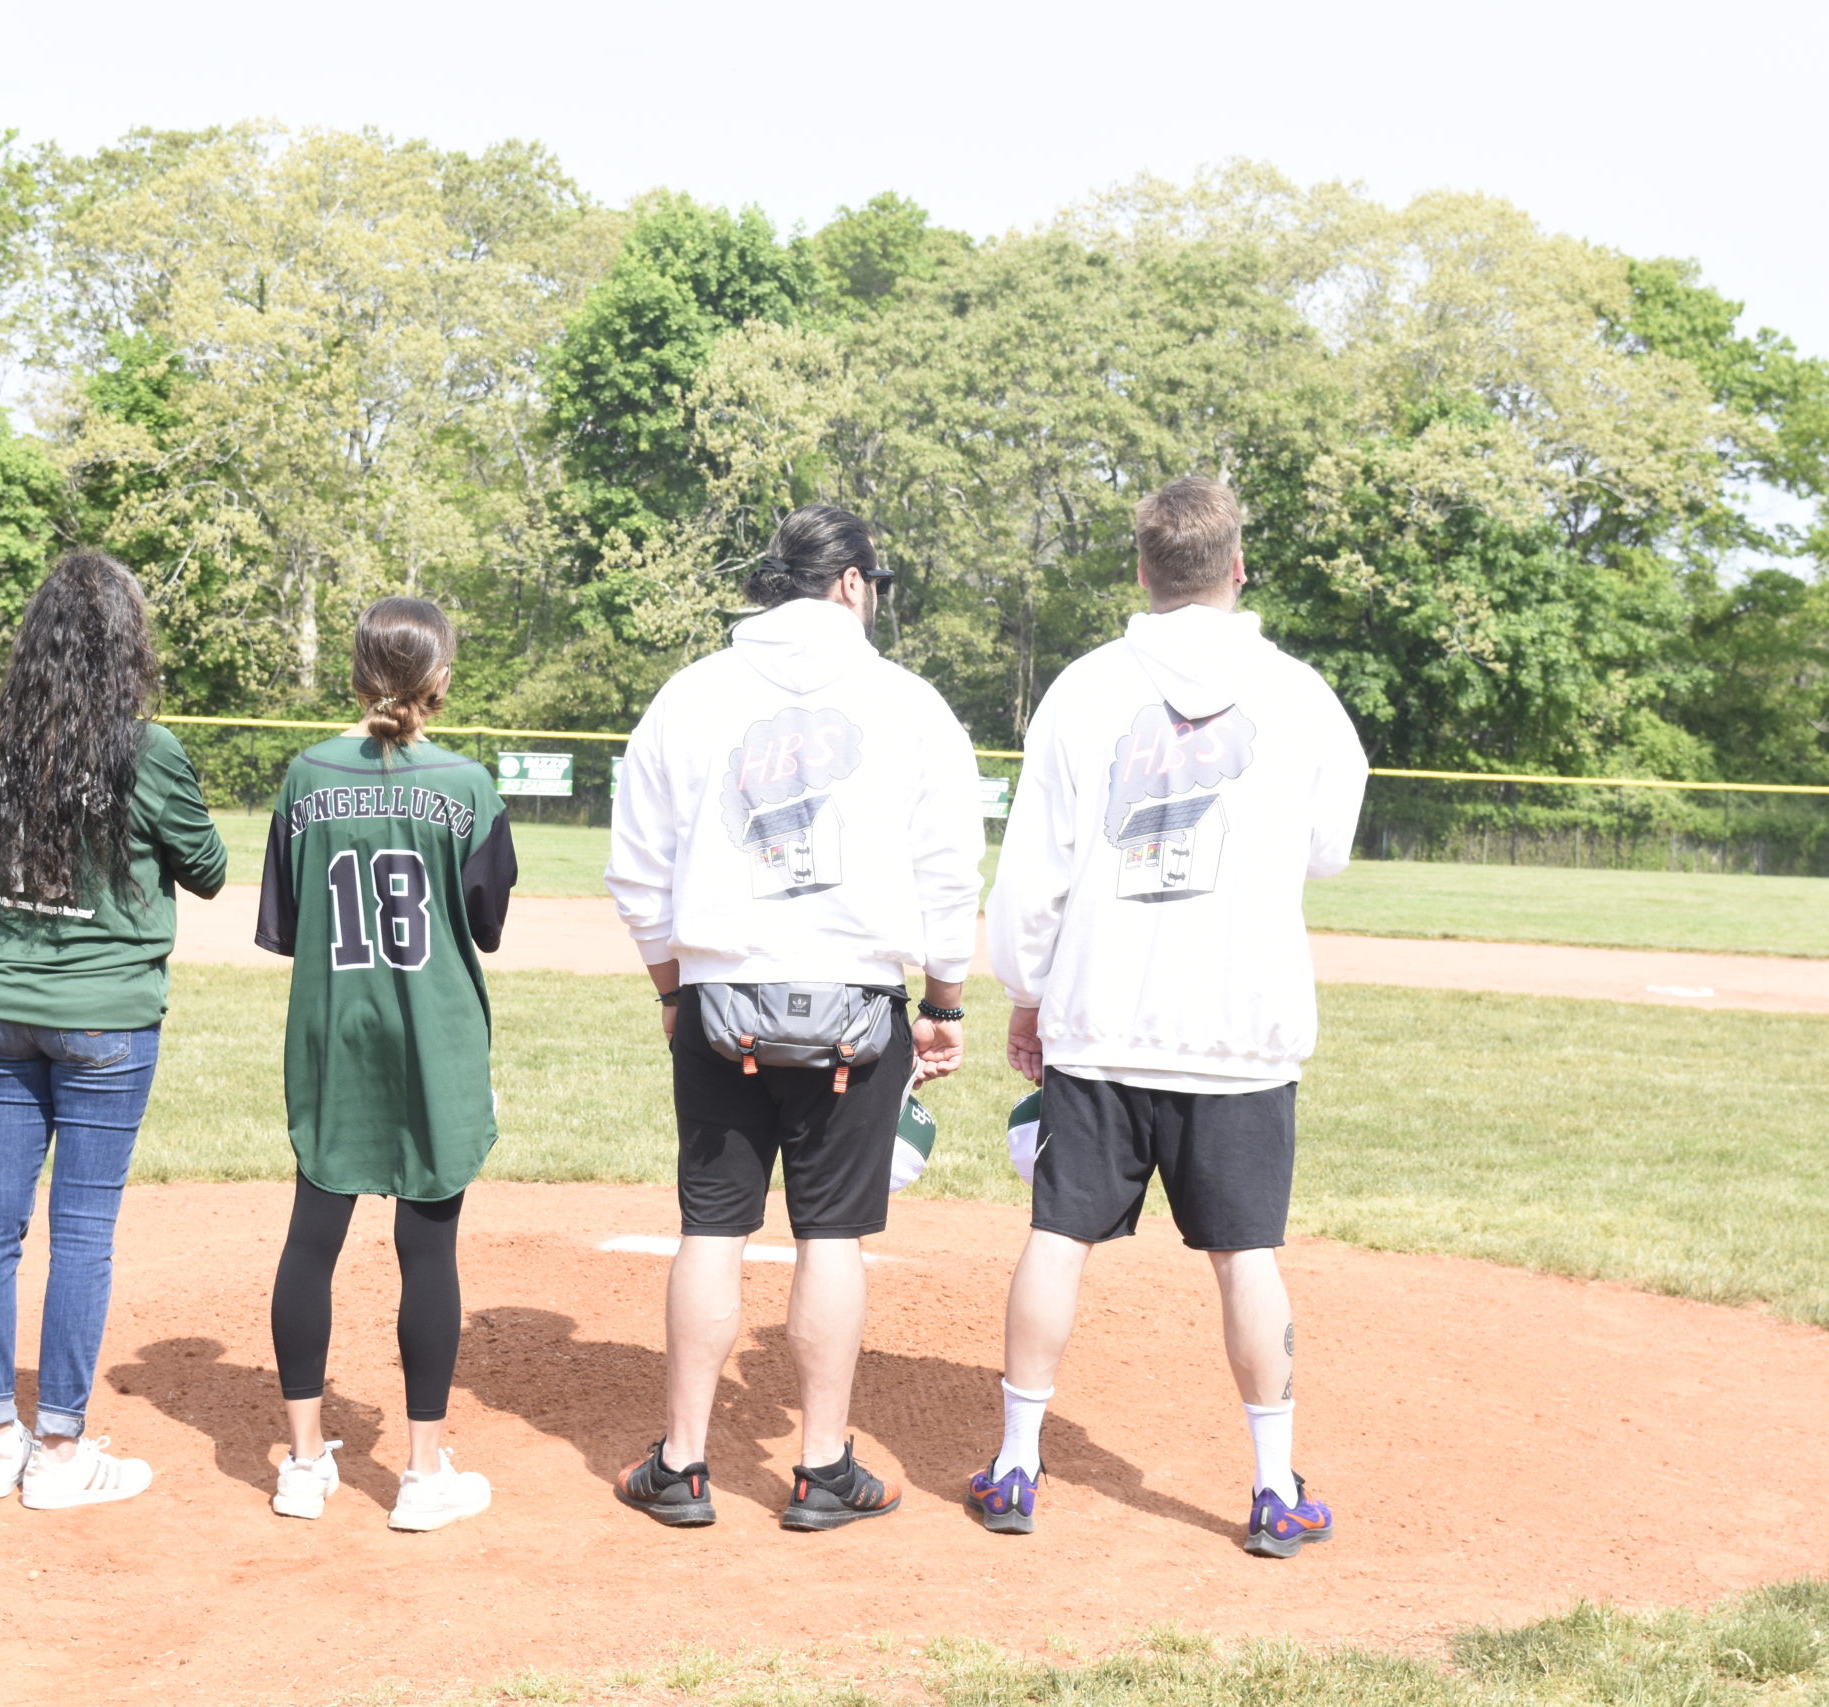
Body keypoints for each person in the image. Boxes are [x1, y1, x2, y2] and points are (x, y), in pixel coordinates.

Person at [973, 475, 1369, 1557]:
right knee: (1245, 1254)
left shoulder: (1084, 687)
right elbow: (1328, 848)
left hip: (1104, 1012)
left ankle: (1014, 1466)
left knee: (1058, 1234)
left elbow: (1035, 866)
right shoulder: (1298, 692)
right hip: (1239, 1027)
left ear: (1140, 572)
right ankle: (1273, 1486)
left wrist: (1026, 989)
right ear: (1236, 568)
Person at [604, 503, 984, 1531]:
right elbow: (950, 874)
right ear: (852, 583)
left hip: (722, 998)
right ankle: (820, 1471)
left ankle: (681, 1466)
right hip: (857, 1006)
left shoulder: (691, 695)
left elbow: (635, 874)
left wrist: (674, 993)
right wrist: (943, 1002)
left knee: (712, 1228)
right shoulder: (908, 702)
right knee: (832, 1237)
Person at [0, 551, 229, 1509]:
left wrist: (19, 951)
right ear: (128, 646)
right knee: (81, 1232)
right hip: (107, 1020)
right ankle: (61, 1453)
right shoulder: (146, 752)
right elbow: (209, 867)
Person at [255, 597, 515, 1533]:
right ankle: (420, 1471)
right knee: (428, 1249)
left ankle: (301, 1463)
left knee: (310, 1238)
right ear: (438, 679)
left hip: (336, 1033)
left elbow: (283, 929)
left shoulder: (305, 775)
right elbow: (486, 922)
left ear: (358, 674)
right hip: (434, 1038)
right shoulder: (469, 784)